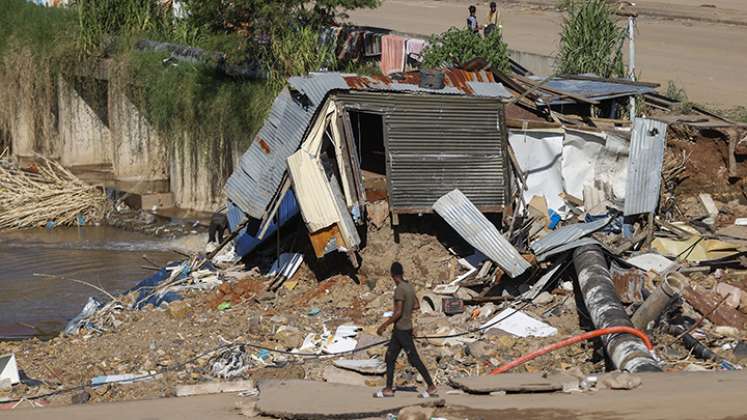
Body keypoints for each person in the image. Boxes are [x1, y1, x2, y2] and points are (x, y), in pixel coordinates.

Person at [374, 262, 437, 398]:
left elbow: (398, 312)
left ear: (392, 275)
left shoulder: (400, 289)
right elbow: (416, 305)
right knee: (390, 357)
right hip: (403, 328)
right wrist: (406, 312)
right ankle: (388, 389)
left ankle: (431, 387)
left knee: (414, 359)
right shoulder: (409, 287)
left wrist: (384, 325)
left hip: (401, 329)